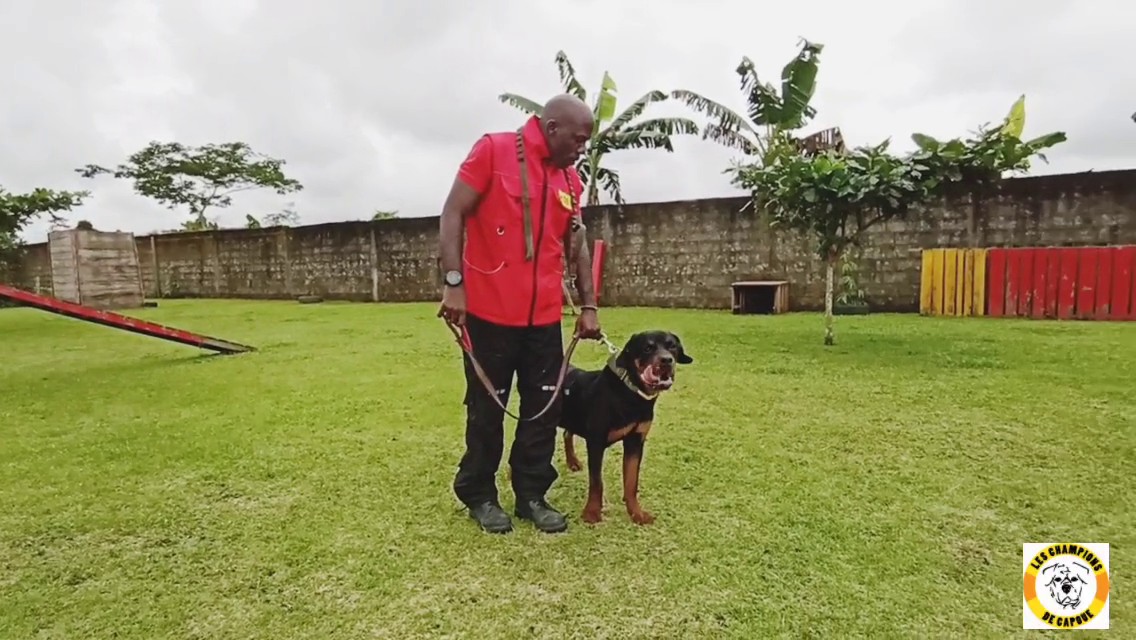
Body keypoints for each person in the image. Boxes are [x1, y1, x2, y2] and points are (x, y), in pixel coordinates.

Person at [437, 94, 603, 534]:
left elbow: (577, 243)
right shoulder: (493, 150)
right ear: (551, 129)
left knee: (543, 410)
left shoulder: (570, 180)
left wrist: (588, 305)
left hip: (544, 320)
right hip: (488, 314)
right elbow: (452, 212)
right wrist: (454, 284)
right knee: (488, 409)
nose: (582, 149)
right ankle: (480, 494)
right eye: (578, 139)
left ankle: (531, 494)